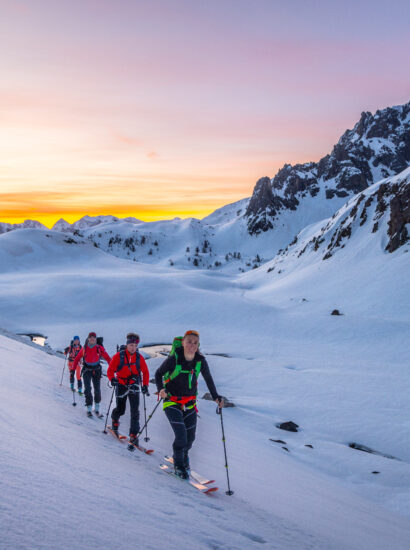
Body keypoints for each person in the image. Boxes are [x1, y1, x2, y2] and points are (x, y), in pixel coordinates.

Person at [155, 330, 224, 479]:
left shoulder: (200, 361)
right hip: (171, 402)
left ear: (198, 344)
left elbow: (209, 379)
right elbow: (158, 374)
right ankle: (179, 466)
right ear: (183, 343)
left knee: (190, 438)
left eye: (195, 342)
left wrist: (216, 397)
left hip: (190, 404)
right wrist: (160, 389)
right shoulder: (174, 358)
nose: (192, 345)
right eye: (189, 342)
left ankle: (182, 456)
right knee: (181, 436)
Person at [107, 333, 150, 446]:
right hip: (121, 384)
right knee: (121, 409)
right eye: (131, 345)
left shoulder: (139, 358)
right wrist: (112, 379)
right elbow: (110, 370)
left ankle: (133, 435)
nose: (133, 348)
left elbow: (145, 372)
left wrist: (145, 385)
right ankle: (115, 420)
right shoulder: (119, 356)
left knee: (135, 411)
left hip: (134, 385)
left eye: (135, 345)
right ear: (127, 345)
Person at [72, 332, 111, 417]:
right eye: (91, 338)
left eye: (94, 338)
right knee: (88, 389)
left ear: (96, 339)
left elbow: (108, 358)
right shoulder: (84, 349)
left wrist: (113, 368)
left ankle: (96, 408)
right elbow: (77, 359)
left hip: (96, 370)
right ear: (88, 339)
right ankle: (89, 408)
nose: (92, 339)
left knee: (97, 390)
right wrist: (72, 370)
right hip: (87, 370)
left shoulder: (99, 348)